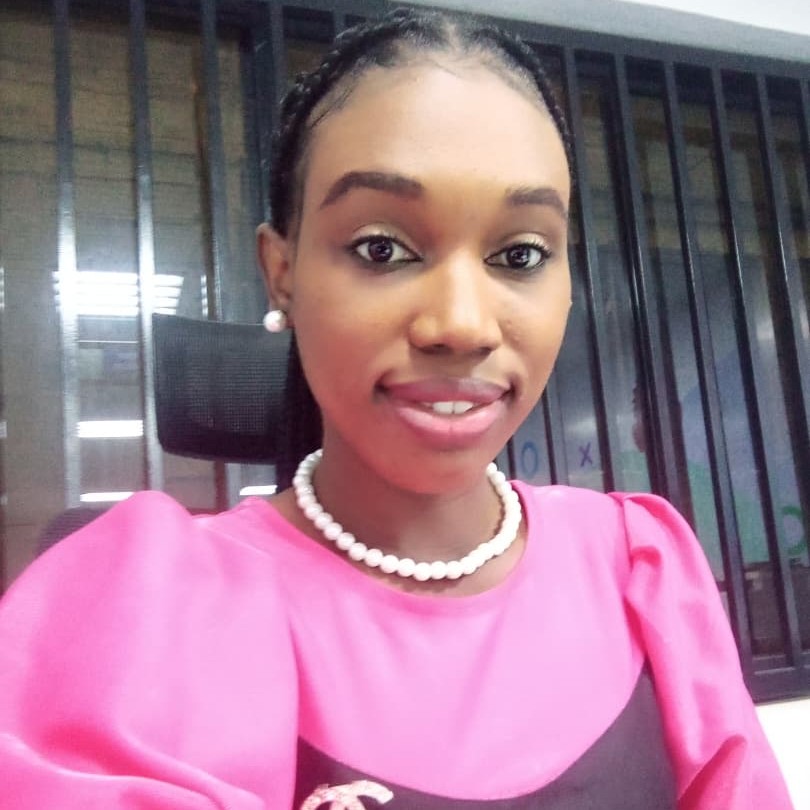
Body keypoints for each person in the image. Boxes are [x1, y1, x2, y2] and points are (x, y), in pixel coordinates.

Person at [0, 7, 794, 809]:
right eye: (381, 248)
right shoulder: (148, 609)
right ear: (281, 273)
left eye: (520, 254)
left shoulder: (638, 565)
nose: (462, 324)